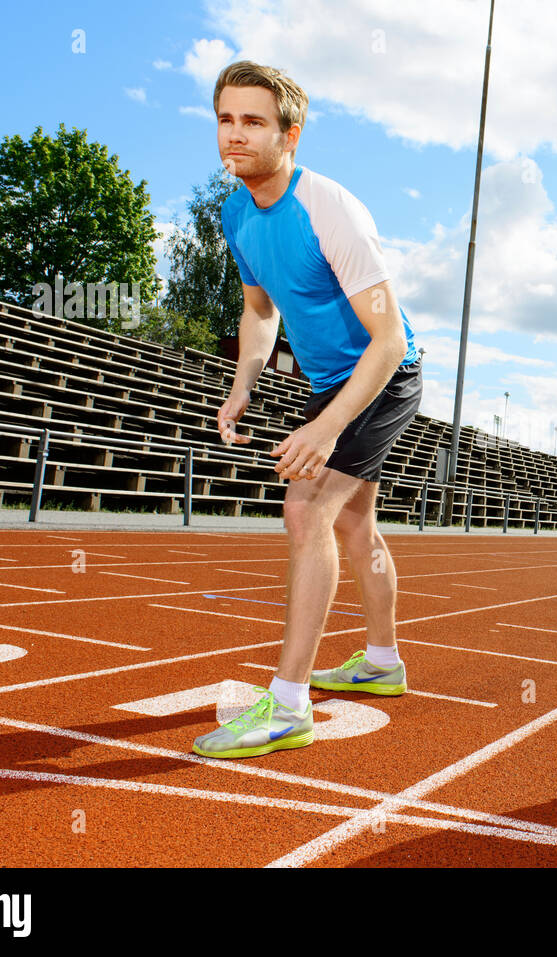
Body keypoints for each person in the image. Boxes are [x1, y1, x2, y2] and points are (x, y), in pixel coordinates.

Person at [192, 61, 422, 760]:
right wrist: (243, 384)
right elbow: (259, 308)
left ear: (290, 133)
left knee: (306, 509)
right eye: (225, 119)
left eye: (253, 122)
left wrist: (325, 426)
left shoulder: (331, 210)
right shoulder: (235, 210)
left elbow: (388, 341)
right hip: (333, 380)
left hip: (384, 373)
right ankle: (381, 661)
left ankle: (288, 705)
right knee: (355, 526)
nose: (234, 136)